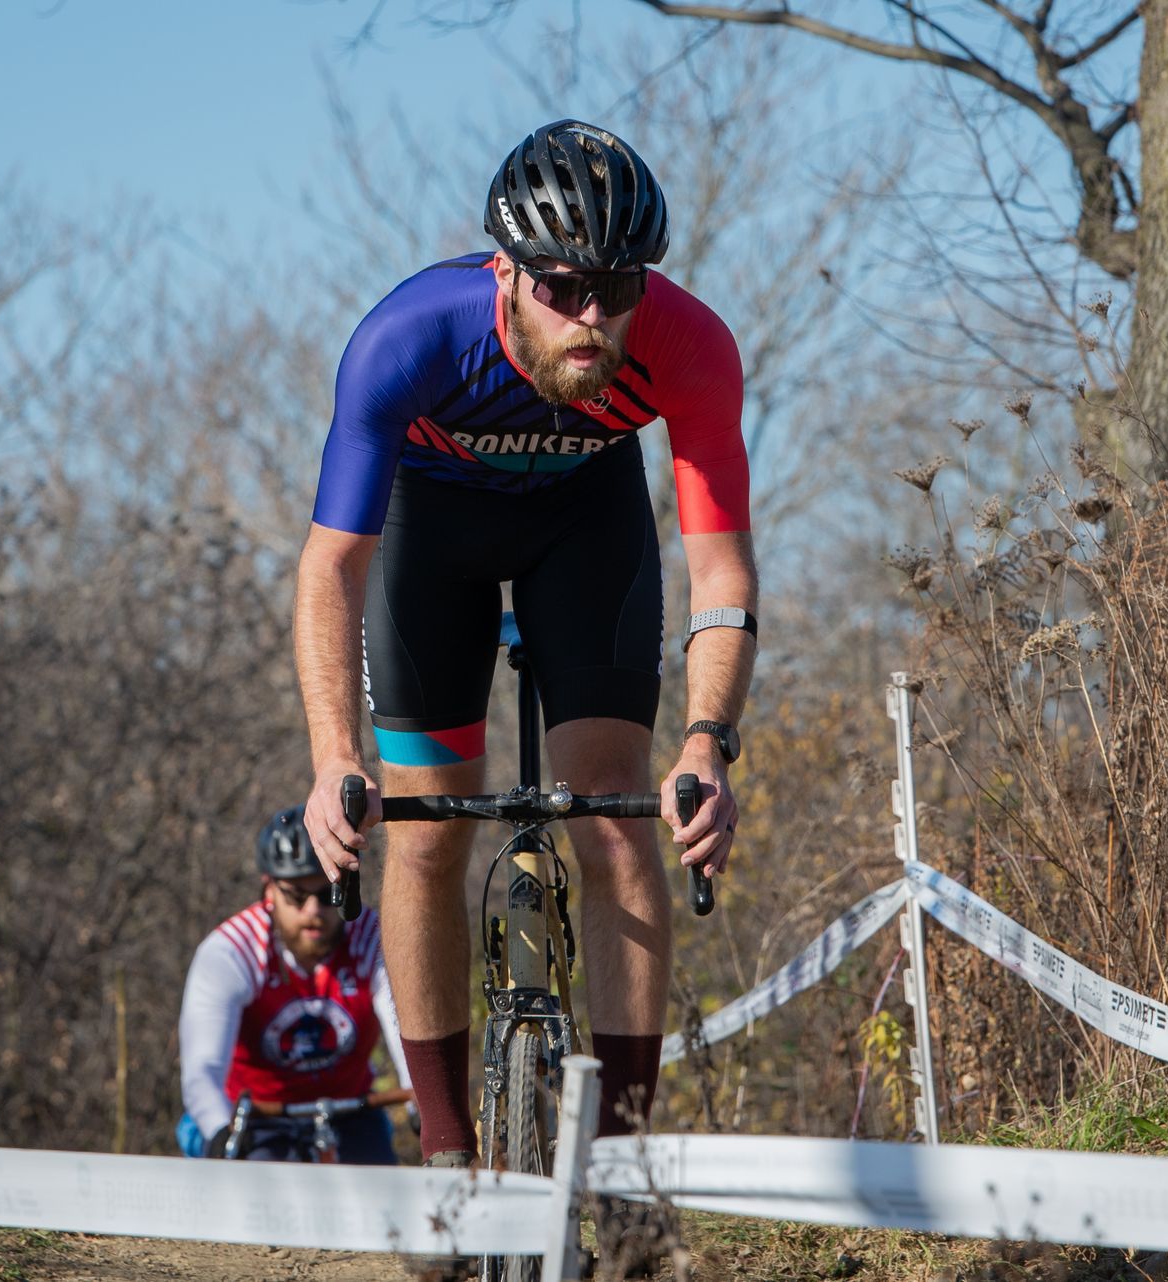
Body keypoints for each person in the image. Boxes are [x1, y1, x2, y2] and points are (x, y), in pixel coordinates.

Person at [292, 119, 758, 1166]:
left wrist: (707, 746)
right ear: (503, 270)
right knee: (422, 830)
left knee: (617, 815)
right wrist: (333, 757)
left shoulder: (690, 344)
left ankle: (626, 1164)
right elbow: (332, 565)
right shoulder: (406, 338)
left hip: (585, 523)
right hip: (433, 529)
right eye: (560, 289)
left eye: (618, 288)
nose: (593, 318)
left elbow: (721, 569)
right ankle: (450, 1153)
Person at [177, 805, 411, 1163]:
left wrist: (424, 1101)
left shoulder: (371, 938)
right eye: (297, 897)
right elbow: (202, 1071)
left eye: (326, 894)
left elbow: (406, 1035)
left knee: (383, 1200)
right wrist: (220, 1132)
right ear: (269, 890)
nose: (313, 911)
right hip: (257, 1117)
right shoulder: (232, 951)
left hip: (351, 1111)